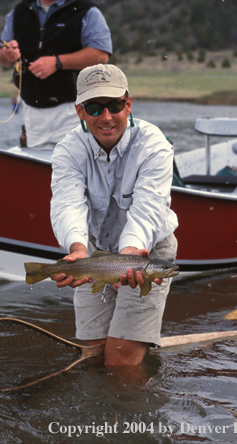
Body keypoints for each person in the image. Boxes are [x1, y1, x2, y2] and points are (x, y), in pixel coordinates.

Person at [50, 64, 178, 367]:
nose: (106, 117)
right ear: (80, 111)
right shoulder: (67, 150)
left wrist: (132, 253)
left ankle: (131, 408)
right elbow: (67, 204)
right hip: (93, 256)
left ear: (128, 104)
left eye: (115, 105)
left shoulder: (154, 145)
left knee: (120, 361)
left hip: (146, 254)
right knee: (93, 354)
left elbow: (148, 208)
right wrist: (77, 250)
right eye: (95, 107)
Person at [0, 0, 112, 149]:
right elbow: (2, 57)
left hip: (74, 109)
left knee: (75, 169)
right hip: (31, 110)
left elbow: (101, 55)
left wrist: (57, 62)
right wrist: (7, 54)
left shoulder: (86, 11)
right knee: (39, 172)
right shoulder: (18, 13)